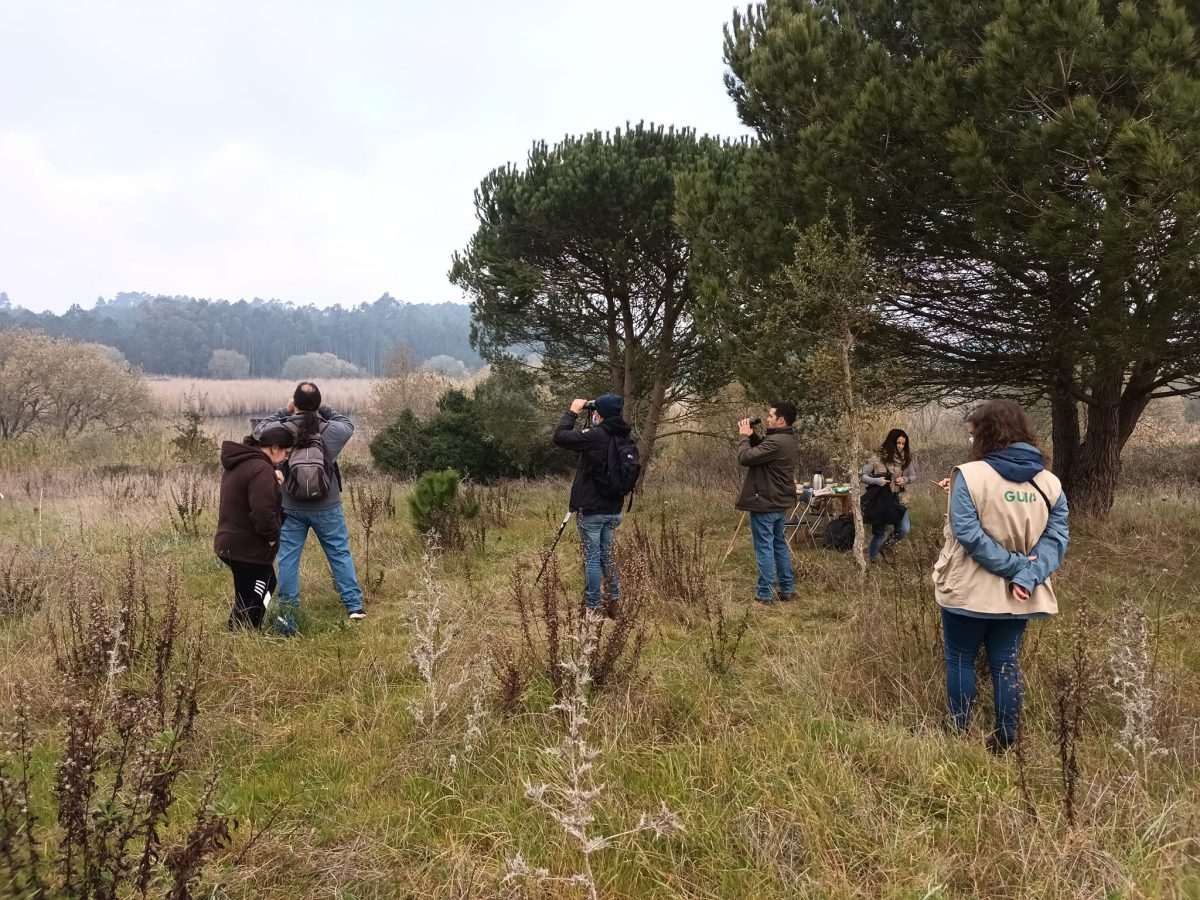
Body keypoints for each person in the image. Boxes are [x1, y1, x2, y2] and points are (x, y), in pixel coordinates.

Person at [933, 400, 1069, 753]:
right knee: (1006, 660)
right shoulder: (1049, 482)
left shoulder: (970, 474)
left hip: (968, 589)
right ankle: (1006, 738)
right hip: (1019, 594)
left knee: (960, 658)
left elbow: (967, 531)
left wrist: (1014, 569)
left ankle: (958, 734)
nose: (971, 440)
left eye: (972, 433)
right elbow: (1056, 538)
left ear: (985, 432)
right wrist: (1028, 574)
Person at [254, 382, 365, 633]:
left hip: (289, 505)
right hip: (328, 505)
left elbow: (260, 430)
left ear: (294, 402)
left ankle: (287, 621)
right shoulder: (333, 429)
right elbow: (348, 424)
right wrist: (320, 408)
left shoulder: (281, 429)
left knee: (287, 560)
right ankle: (354, 607)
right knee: (339, 552)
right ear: (318, 404)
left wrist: (286, 411)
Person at [552, 395, 634, 612]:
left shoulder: (596, 435)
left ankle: (593, 606)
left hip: (592, 511)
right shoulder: (623, 435)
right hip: (614, 510)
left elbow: (560, 437)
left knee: (593, 559)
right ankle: (613, 601)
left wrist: (573, 411)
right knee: (607, 555)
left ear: (599, 414)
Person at [214, 424, 295, 630]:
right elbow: (262, 511)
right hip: (247, 548)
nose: (286, 457)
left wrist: (273, 484)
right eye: (286, 452)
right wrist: (271, 536)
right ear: (274, 447)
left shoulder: (244, 463)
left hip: (232, 541)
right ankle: (245, 634)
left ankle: (242, 632)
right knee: (256, 592)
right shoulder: (261, 469)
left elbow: (250, 498)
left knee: (258, 587)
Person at [736, 403, 800, 604]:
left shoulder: (776, 442)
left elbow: (745, 457)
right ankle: (787, 589)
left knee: (764, 547)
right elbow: (763, 451)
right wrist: (754, 436)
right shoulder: (786, 440)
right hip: (779, 502)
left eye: (771, 415)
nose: (768, 418)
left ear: (781, 420)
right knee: (779, 545)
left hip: (765, 502)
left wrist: (744, 436)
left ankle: (764, 594)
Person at [860, 428, 917, 562]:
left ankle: (885, 547)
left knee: (903, 529)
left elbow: (913, 476)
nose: (901, 446)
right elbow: (861, 475)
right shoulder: (877, 457)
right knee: (879, 533)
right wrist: (876, 481)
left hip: (898, 499)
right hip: (879, 500)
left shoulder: (906, 459)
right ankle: (872, 561)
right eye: (898, 443)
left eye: (903, 444)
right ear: (892, 442)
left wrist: (905, 480)